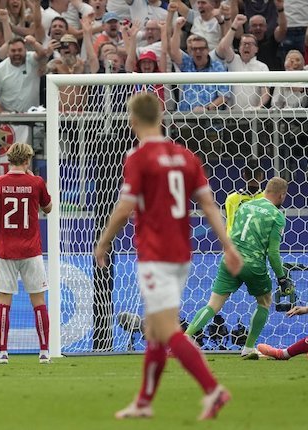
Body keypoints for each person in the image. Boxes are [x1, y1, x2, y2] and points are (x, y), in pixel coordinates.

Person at [93, 93, 243, 420]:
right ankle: (144, 401)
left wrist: (104, 241)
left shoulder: (138, 157)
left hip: (155, 254)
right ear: (160, 118)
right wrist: (228, 246)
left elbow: (124, 207)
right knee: (155, 330)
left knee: (166, 329)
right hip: (181, 255)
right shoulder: (185, 156)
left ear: (132, 121)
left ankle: (212, 389)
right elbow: (208, 205)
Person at [185, 177, 294, 359]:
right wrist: (282, 278)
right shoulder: (277, 216)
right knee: (264, 302)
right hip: (253, 263)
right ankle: (248, 347)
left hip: (230, 258)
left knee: (213, 304)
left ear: (265, 190)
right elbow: (273, 253)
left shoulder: (244, 206)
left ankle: (185, 337)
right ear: (282, 195)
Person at [0, 143, 52, 365]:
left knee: (4, 301)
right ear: (27, 160)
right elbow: (48, 209)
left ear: (9, 160)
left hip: (5, 251)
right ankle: (44, 352)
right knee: (39, 301)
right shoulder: (36, 182)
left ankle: (3, 353)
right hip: (31, 251)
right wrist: (34, 181)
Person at [224, 160, 265, 235]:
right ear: (261, 176)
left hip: (234, 243)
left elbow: (229, 224)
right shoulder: (266, 199)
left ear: (244, 175)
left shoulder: (231, 199)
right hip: (258, 244)